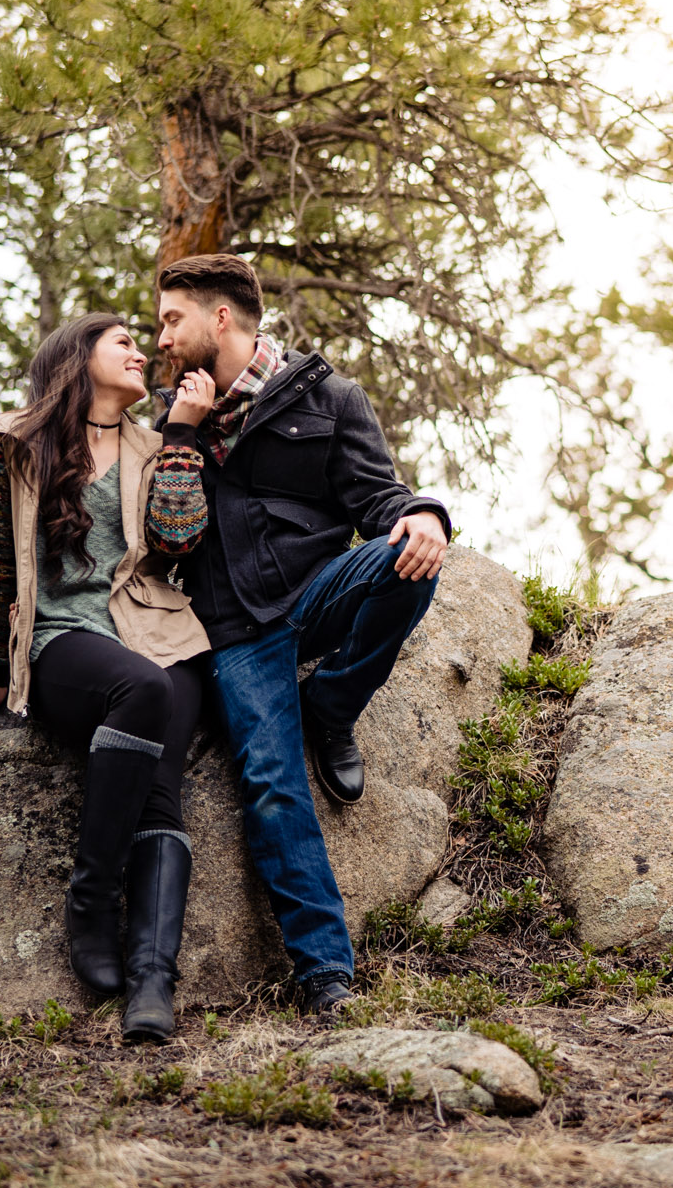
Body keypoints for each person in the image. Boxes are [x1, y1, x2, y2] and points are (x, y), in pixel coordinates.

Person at [153, 253, 450, 1016]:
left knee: (408, 561)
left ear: (220, 318)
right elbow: (169, 542)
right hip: (233, 631)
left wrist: (424, 515)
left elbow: (379, 497)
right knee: (273, 788)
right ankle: (325, 975)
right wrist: (182, 433)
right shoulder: (166, 419)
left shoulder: (331, 397)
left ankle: (331, 706)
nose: (160, 338)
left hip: (316, 593)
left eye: (170, 319)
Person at [0, 312, 218, 1044]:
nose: (139, 354)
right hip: (63, 641)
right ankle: (91, 900)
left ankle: (152, 983)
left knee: (163, 795)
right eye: (122, 341)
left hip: (157, 631)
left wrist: (182, 433)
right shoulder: (12, 442)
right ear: (78, 355)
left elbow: (178, 540)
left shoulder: (154, 444)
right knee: (141, 692)